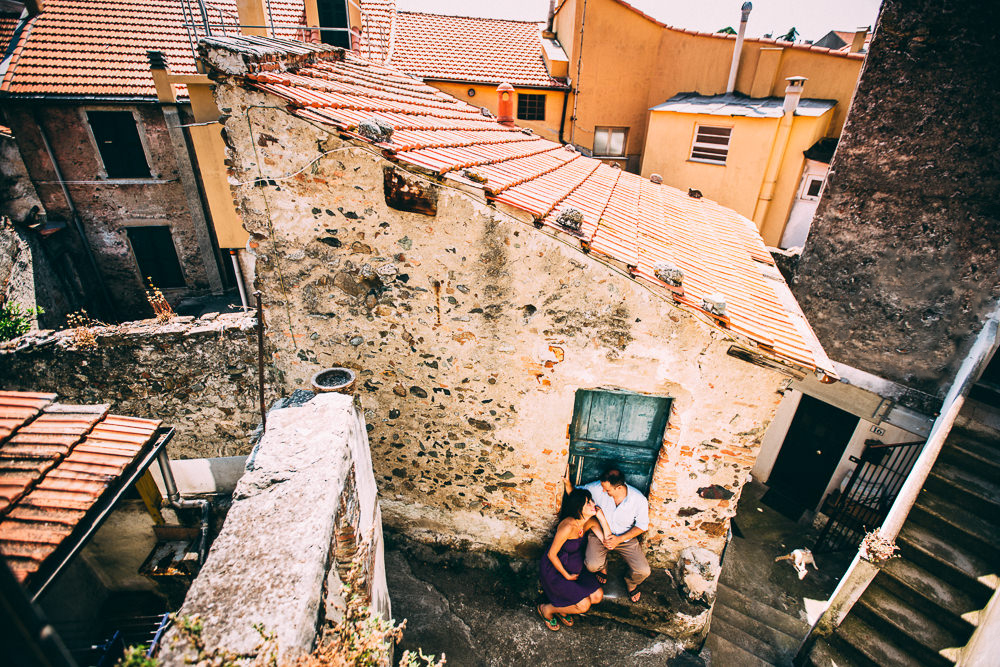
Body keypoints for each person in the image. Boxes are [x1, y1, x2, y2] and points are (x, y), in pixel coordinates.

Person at [564, 467, 652, 602]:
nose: (603, 491)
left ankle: (631, 582)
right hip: (599, 534)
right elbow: (577, 495)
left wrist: (619, 539)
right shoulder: (597, 488)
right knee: (592, 565)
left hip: (625, 538)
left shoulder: (638, 500)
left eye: (607, 489)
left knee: (643, 571)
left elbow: (642, 526)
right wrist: (568, 484)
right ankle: (603, 566)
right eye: (603, 488)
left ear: (619, 487)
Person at [537, 488, 609, 631]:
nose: (592, 504)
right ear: (578, 508)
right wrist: (566, 575)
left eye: (591, 501)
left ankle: (563, 608)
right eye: (587, 503)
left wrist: (601, 518)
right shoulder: (568, 526)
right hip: (556, 571)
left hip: (576, 568)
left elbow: (609, 542)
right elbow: (552, 554)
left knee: (598, 596)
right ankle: (548, 609)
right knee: (584, 605)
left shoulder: (590, 522)